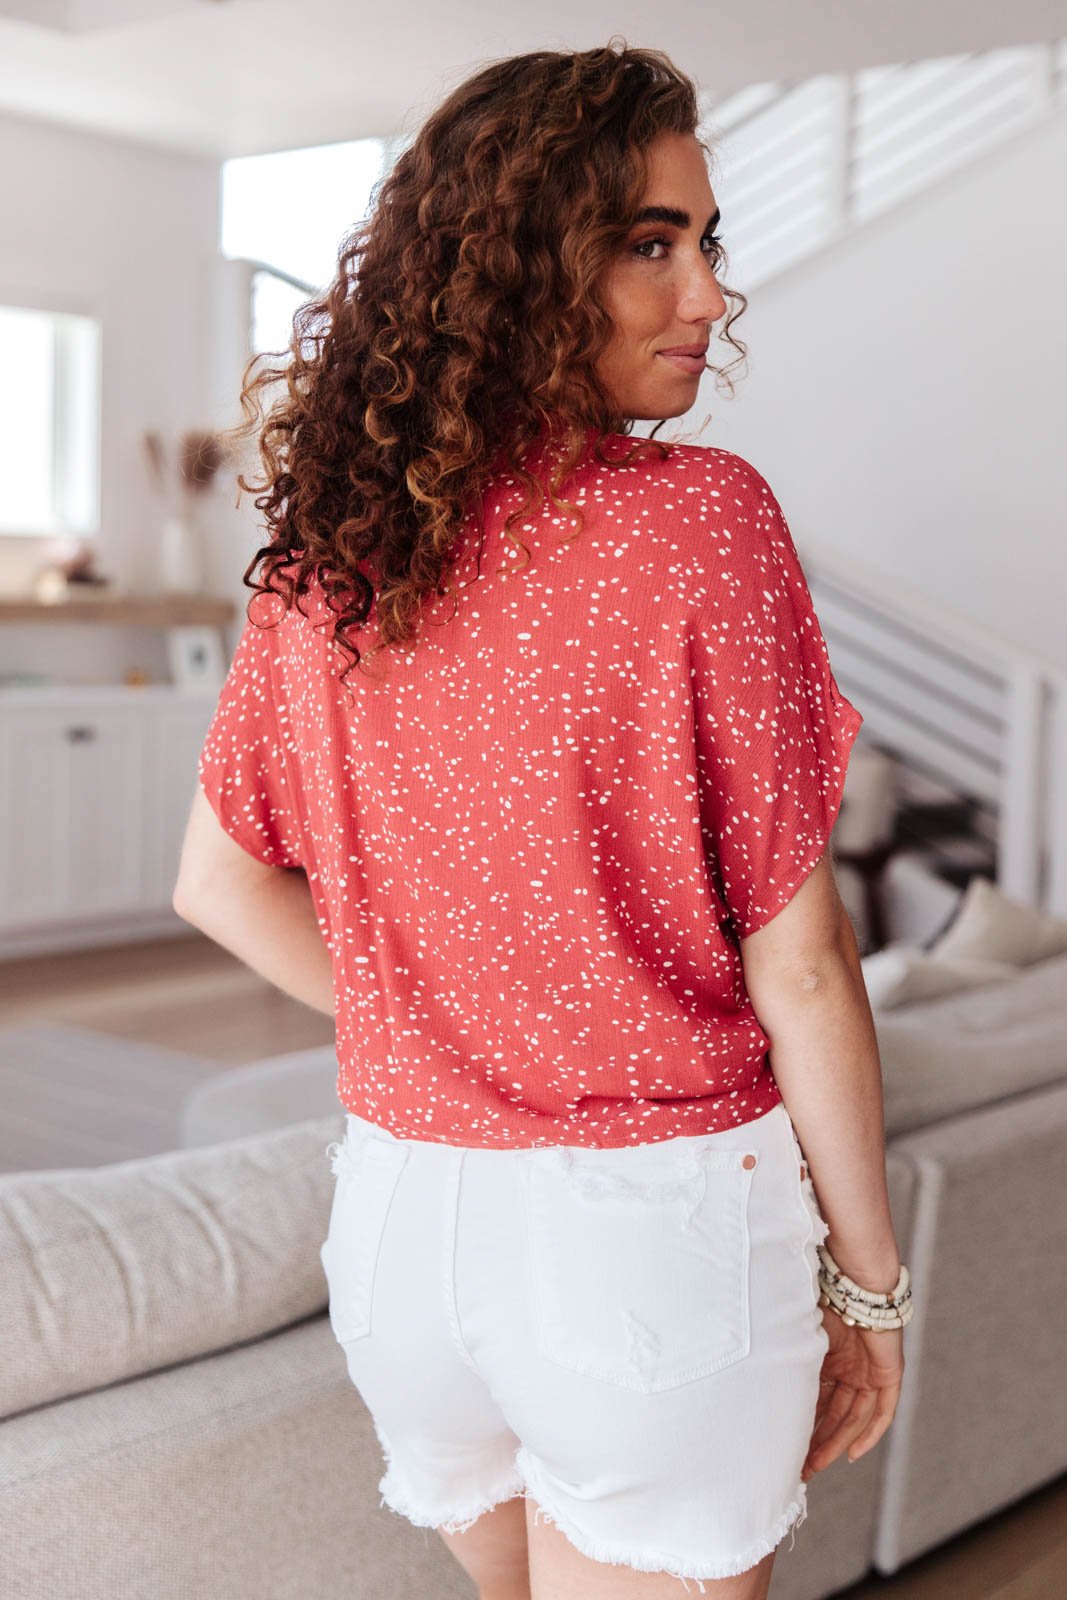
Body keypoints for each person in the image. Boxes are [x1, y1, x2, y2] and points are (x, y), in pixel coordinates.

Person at [174, 39, 908, 1600]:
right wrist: (875, 1279)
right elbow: (806, 961)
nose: (707, 295)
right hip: (650, 1251)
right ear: (517, 263)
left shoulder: (334, 554)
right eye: (650, 244)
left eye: (707, 244)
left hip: (401, 1228)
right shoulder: (703, 524)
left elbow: (216, 888)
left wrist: (450, 1024)